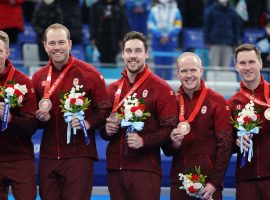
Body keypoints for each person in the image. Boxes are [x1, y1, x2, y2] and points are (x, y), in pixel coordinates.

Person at [31, 23, 111, 200]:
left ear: (70, 44)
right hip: (48, 155)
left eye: (61, 42)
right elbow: (31, 118)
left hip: (79, 155)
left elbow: (105, 108)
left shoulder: (89, 73)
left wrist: (88, 123)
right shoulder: (38, 77)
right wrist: (39, 118)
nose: (57, 47)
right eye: (52, 43)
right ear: (44, 45)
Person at [102, 31, 178, 200]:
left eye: (138, 51)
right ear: (122, 54)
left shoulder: (161, 88)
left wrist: (144, 141)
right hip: (115, 168)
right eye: (128, 51)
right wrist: (107, 129)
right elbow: (102, 129)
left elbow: (169, 129)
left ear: (146, 54)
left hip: (145, 169)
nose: (133, 56)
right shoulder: (113, 89)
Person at [164, 52, 233, 200]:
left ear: (201, 71)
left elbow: (225, 146)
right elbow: (167, 149)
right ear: (177, 74)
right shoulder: (172, 103)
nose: (189, 75)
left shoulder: (217, 101)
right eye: (184, 71)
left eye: (193, 70)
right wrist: (174, 144)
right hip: (179, 183)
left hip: (208, 185)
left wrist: (214, 183)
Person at [228, 43, 270, 200]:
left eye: (251, 62)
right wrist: (236, 142)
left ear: (260, 62)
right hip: (246, 179)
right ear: (236, 66)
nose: (247, 67)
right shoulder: (232, 104)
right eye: (242, 63)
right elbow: (225, 142)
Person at [0, 30, 37, 200]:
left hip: (19, 158)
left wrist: (10, 118)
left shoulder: (23, 81)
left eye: (0, 51)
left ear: (7, 53)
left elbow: (31, 125)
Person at [147, 0, 182, 80]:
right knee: (158, 66)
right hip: (157, 41)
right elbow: (150, 24)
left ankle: (168, 88)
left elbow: (178, 26)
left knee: (168, 67)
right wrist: (160, 36)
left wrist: (169, 36)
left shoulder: (176, 11)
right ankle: (157, 87)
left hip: (170, 42)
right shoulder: (154, 10)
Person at [89, 0, 130, 65]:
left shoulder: (120, 6)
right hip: (101, 38)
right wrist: (93, 37)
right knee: (102, 58)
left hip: (114, 39)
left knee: (113, 58)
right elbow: (93, 23)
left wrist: (123, 38)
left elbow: (123, 23)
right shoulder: (96, 6)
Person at [204, 0, 241, 67]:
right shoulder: (211, 10)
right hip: (214, 43)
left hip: (228, 44)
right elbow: (207, 27)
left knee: (226, 67)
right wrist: (207, 41)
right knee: (214, 66)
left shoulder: (233, 11)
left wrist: (236, 42)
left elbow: (236, 28)